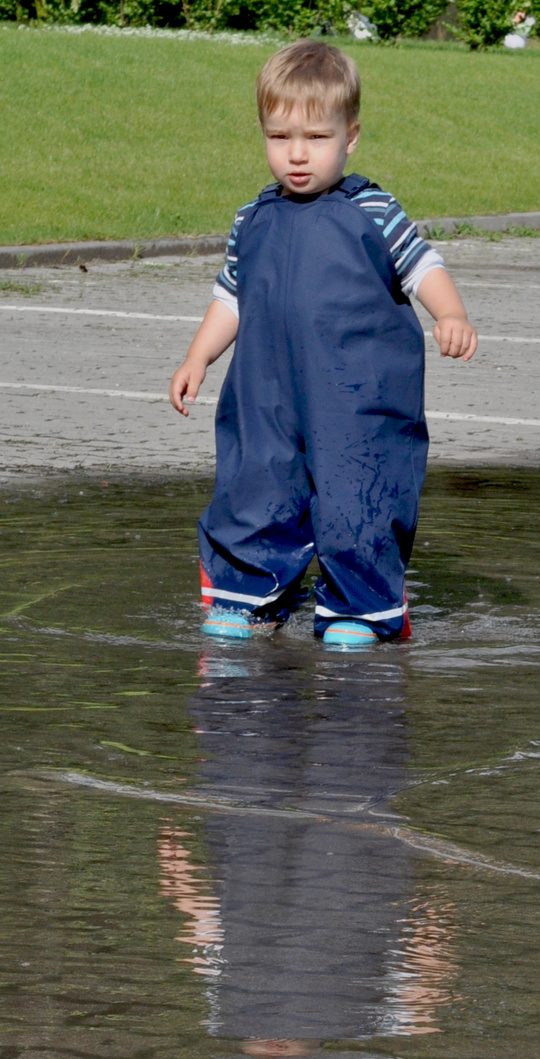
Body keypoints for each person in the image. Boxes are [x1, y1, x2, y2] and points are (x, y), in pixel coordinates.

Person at [169, 40, 477, 646]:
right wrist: (198, 357)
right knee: (257, 485)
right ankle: (249, 595)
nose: (297, 155)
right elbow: (232, 297)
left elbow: (421, 267)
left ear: (351, 136)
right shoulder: (252, 218)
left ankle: (359, 607)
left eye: (315, 137)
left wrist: (451, 313)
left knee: (356, 495)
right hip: (269, 395)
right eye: (280, 138)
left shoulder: (373, 210)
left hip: (355, 397)